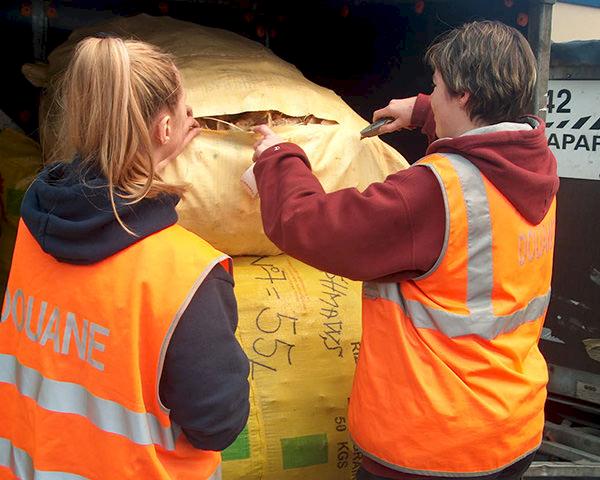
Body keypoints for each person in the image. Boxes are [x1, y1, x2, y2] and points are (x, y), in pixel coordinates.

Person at [252, 21, 558, 480]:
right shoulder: (533, 165)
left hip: (433, 446)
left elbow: (311, 227)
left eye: (435, 88)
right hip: (509, 427)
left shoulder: (433, 193)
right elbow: (485, 139)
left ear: (465, 97)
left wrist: (278, 157)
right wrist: (421, 113)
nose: (430, 95)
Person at [0, 36, 249, 480]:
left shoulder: (35, 225)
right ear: (166, 129)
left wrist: (154, 154)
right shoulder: (185, 273)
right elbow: (217, 425)